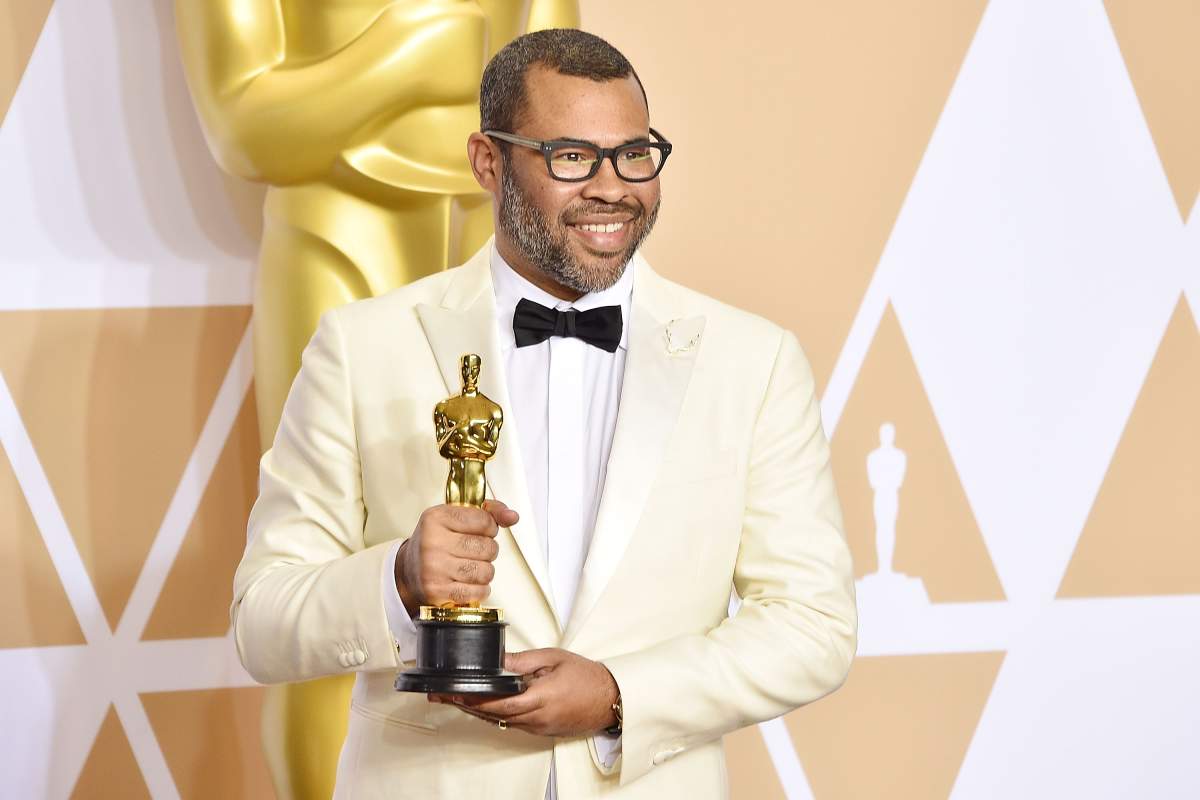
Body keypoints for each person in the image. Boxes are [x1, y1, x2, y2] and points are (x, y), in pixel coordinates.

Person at [232, 28, 857, 799]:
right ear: (488, 162)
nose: (612, 187)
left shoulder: (752, 361)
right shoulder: (362, 347)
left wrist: (620, 693)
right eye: (571, 157)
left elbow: (812, 628)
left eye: (633, 154)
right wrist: (397, 576)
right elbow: (262, 621)